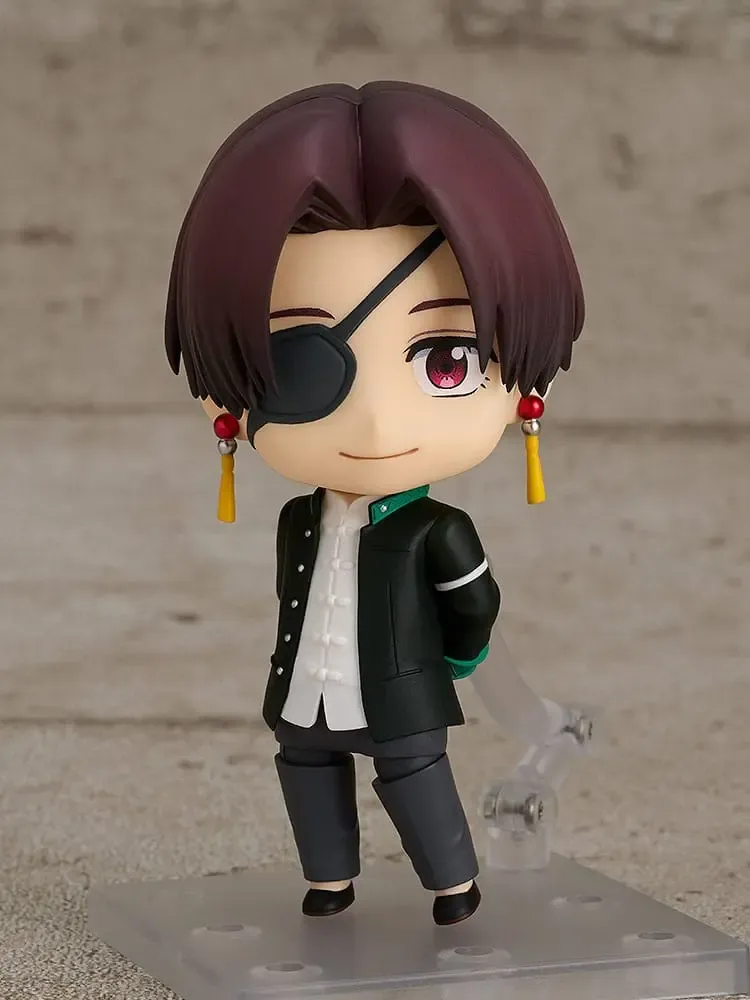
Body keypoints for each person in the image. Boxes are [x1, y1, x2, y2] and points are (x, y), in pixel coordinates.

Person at [165, 81, 584, 925]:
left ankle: (453, 883)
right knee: (307, 769)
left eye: (446, 362)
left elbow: (474, 605)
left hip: (399, 690)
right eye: (303, 366)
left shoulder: (438, 528)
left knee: (413, 773)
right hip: (305, 690)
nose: (376, 422)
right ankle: (329, 879)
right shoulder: (298, 521)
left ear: (520, 386)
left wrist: (453, 664)